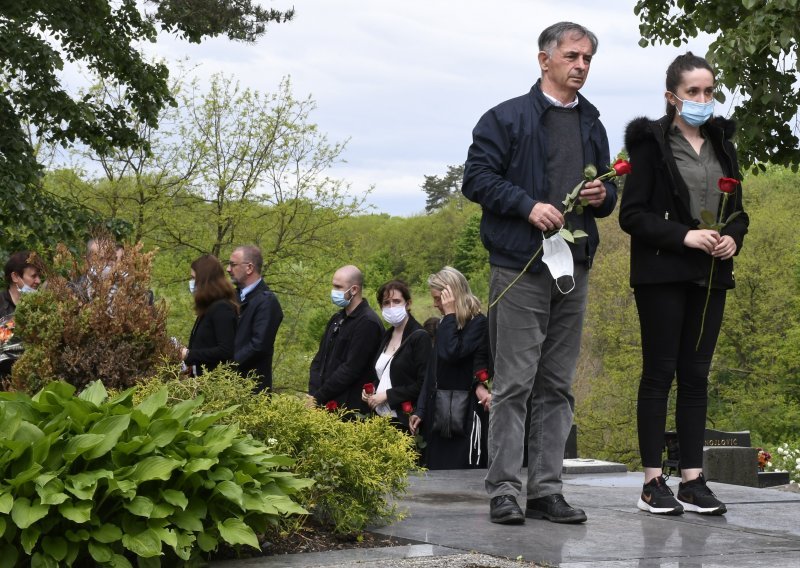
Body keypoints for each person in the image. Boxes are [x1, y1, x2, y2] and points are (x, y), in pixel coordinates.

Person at [461, 21, 617, 524]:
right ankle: (504, 489)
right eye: (572, 56)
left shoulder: (592, 121)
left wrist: (603, 196)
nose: (581, 66)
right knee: (513, 384)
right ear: (544, 59)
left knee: (557, 384)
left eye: (588, 58)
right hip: (519, 264)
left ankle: (546, 490)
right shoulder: (504, 118)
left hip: (575, 265)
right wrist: (527, 206)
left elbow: (609, 198)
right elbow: (476, 179)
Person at [620, 52, 748, 516]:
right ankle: (653, 482)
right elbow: (631, 216)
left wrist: (731, 238)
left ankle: (693, 481)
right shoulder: (650, 144)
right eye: (692, 92)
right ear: (671, 96)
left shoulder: (722, 145)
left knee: (696, 375)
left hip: (710, 275)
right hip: (661, 273)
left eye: (708, 91)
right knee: (660, 373)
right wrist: (684, 235)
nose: (701, 100)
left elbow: (739, 211)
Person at [409, 267, 491, 469]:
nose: (436, 304)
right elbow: (432, 370)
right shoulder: (446, 323)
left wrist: (450, 314)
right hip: (439, 413)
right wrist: (420, 409)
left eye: (439, 299)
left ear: (452, 296)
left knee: (463, 472)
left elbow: (452, 353)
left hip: (465, 414)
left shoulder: (478, 323)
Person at [308, 265, 383, 413]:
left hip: (347, 409)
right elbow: (320, 359)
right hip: (324, 402)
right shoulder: (338, 318)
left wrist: (319, 397)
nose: (333, 292)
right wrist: (313, 393)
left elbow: (351, 369)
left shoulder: (368, 323)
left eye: (338, 287)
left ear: (354, 290)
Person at [362, 280, 431, 432]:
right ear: (381, 306)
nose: (391, 307)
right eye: (386, 303)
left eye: (397, 301)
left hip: (406, 420)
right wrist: (371, 389)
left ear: (408, 303)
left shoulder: (419, 337)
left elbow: (424, 384)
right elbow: (383, 374)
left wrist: (387, 395)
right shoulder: (386, 336)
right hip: (380, 417)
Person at [227, 245, 284, 391]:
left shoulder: (267, 302)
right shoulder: (231, 298)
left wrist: (224, 366)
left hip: (250, 390)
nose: (228, 269)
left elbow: (258, 346)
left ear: (249, 268)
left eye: (233, 265)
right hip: (226, 386)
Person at [180, 255, 238, 376]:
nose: (191, 283)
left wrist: (190, 355)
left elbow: (226, 351)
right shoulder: (208, 308)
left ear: (204, 280)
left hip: (214, 384)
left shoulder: (222, 308)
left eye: (193, 278)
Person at [1, 251, 42, 378]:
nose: (38, 281)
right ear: (15, 277)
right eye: (33, 276)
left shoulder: (41, 306)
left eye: (39, 276)